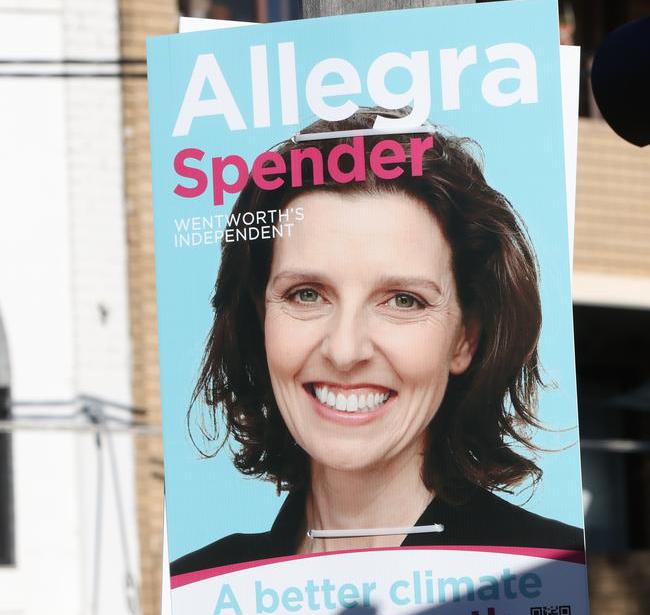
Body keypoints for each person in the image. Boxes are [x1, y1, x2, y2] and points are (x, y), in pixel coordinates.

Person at [171, 108, 583, 577]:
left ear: (464, 340)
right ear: (260, 318)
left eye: (403, 301)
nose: (345, 352)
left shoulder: (550, 572)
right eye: (306, 294)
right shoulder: (201, 589)